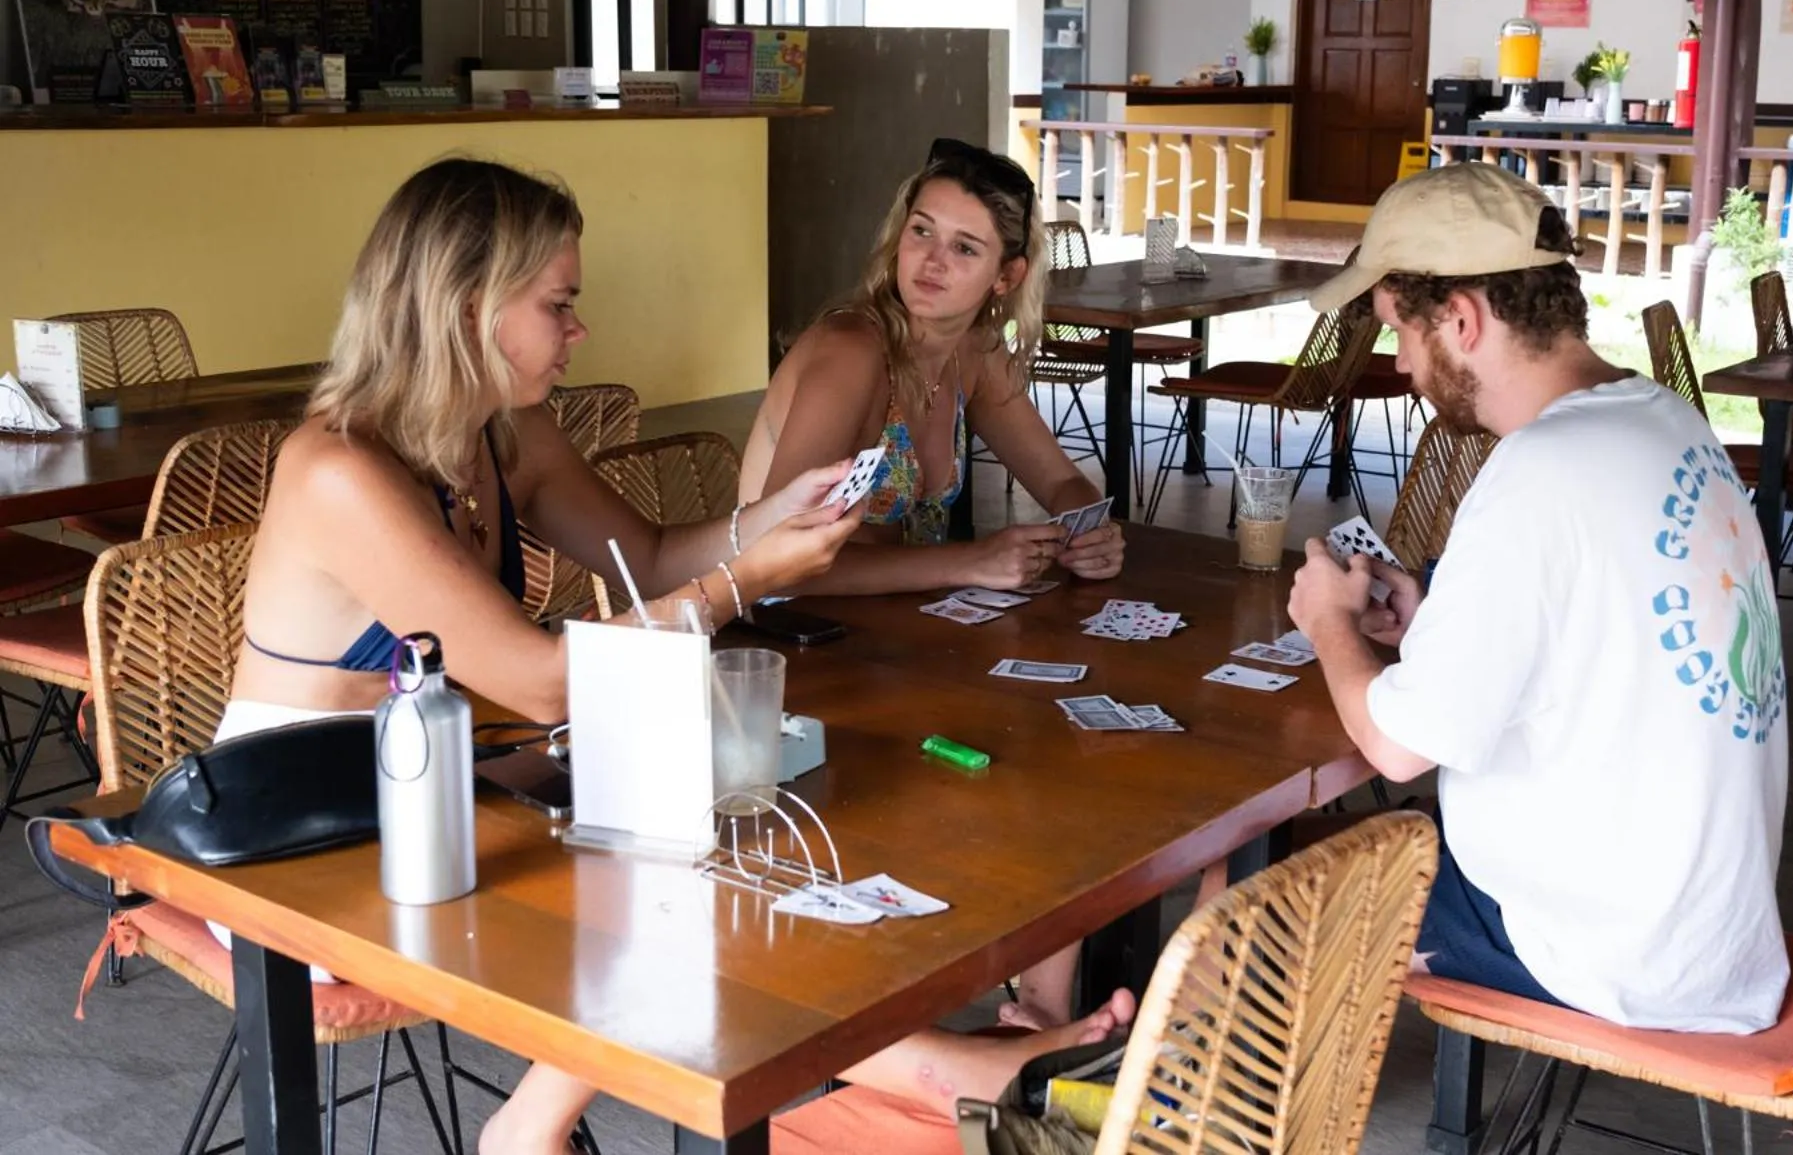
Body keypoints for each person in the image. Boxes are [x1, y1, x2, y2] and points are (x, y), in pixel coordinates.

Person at [207, 155, 1129, 1155]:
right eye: (559, 304)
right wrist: (749, 575)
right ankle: (955, 1072)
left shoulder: (505, 433)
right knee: (692, 876)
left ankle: (537, 1124)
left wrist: (771, 517)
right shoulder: (339, 468)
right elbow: (543, 681)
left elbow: (645, 557)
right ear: (469, 305)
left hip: (440, 792)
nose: (579, 330)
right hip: (293, 840)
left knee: (732, 837)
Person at [1283, 162, 1790, 1032]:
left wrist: (1330, 620)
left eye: (1400, 331)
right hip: (1707, 928)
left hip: (1603, 945)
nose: (1400, 362)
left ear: (1462, 319)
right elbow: (1599, 631)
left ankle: (1162, 1103)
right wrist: (1435, 617)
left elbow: (1398, 748)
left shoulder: (1538, 470)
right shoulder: (1660, 417)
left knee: (1248, 895)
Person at [739, 138, 1125, 597]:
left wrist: (1092, 532)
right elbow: (775, 557)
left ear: (1006, 276)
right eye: (922, 231)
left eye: (964, 248)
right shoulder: (851, 351)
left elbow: (1061, 481)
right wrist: (969, 561)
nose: (932, 261)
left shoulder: (974, 353)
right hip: (785, 625)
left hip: (901, 622)